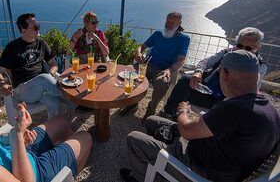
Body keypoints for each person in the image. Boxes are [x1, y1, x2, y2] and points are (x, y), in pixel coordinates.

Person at [120, 50, 280, 182]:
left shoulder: (235, 108)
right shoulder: (268, 106)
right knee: (151, 121)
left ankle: (144, 176)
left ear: (226, 74)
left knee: (134, 138)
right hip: (214, 153)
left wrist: (182, 111)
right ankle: (153, 163)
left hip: (198, 166)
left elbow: (187, 131)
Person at [162, 27, 267, 118]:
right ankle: (168, 113)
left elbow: (251, 90)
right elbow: (206, 61)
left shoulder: (260, 66)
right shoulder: (226, 52)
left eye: (248, 48)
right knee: (185, 80)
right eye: (239, 46)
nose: (242, 50)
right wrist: (198, 72)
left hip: (227, 100)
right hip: (208, 91)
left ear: (257, 47)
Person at [0, 13, 72, 119]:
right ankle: (76, 101)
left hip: (42, 88)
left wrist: (52, 73)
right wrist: (2, 85)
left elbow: (53, 64)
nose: (38, 28)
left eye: (38, 25)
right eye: (35, 27)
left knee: (55, 104)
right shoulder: (12, 48)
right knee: (45, 79)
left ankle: (55, 130)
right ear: (23, 30)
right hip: (23, 90)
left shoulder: (41, 43)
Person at [121, 12, 190, 120]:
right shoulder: (157, 34)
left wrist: (170, 70)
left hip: (164, 70)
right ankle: (132, 103)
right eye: (168, 21)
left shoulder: (184, 39)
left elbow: (181, 60)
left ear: (179, 23)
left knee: (162, 83)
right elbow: (141, 47)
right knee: (130, 75)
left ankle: (151, 110)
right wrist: (138, 53)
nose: (169, 24)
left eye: (173, 22)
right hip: (148, 66)